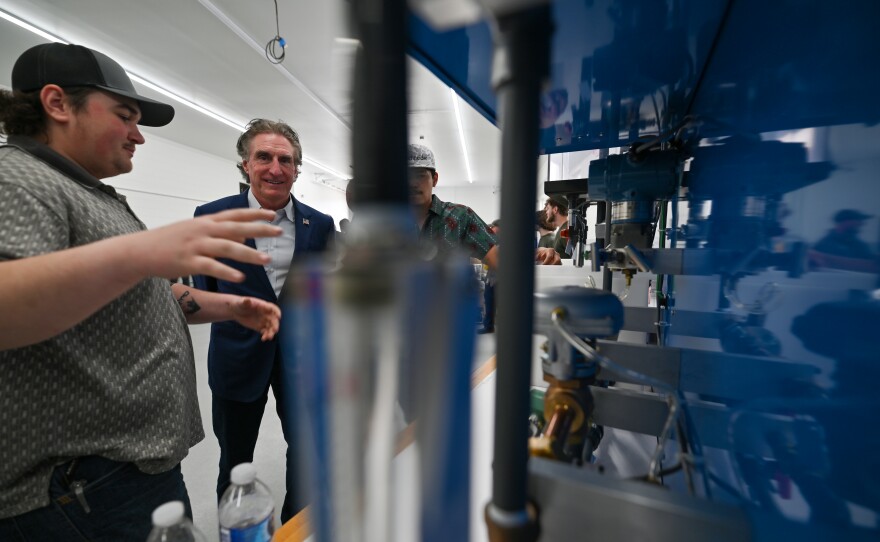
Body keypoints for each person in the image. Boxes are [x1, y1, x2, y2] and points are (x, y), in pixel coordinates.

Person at [0, 43, 283, 540]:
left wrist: (228, 306)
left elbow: (136, 293)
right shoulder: (18, 179)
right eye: (125, 117)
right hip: (80, 488)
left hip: (121, 474)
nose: (138, 136)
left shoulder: (82, 190)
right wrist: (143, 251)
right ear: (58, 104)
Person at [193, 118, 336, 522]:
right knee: (234, 460)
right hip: (237, 360)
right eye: (264, 157)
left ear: (297, 169)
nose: (275, 168)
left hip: (302, 361)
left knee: (306, 452)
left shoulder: (319, 225)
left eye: (286, 160)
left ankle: (296, 525)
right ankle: (236, 529)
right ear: (245, 164)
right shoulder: (211, 218)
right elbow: (204, 291)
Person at [809, 209, 879, 273]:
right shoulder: (823, 244)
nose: (861, 224)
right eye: (858, 220)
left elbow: (870, 264)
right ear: (845, 222)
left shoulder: (860, 245)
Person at [544, 194, 571, 260]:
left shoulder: (565, 230)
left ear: (555, 209)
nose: (546, 212)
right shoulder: (561, 229)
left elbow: (573, 256)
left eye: (548, 209)